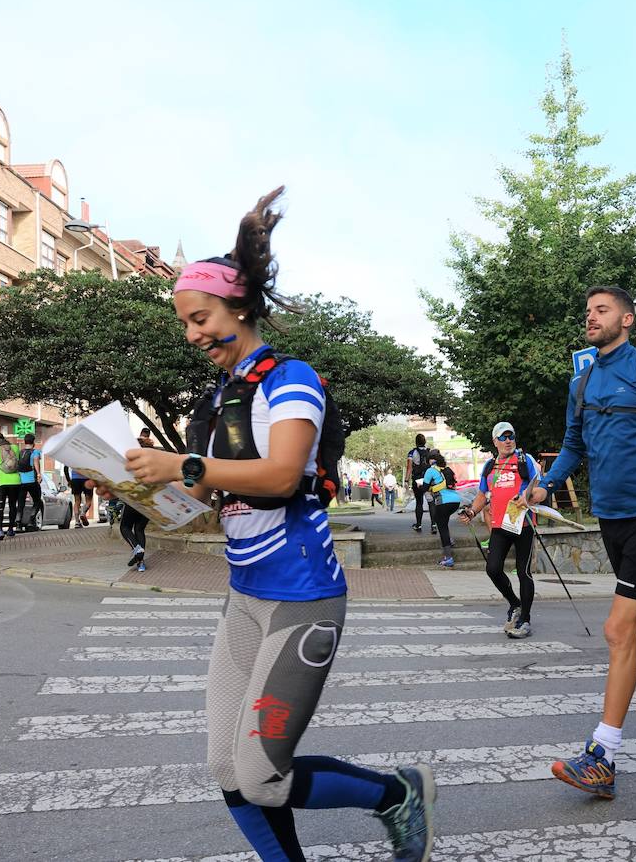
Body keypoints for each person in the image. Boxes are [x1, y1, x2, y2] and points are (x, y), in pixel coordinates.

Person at [114, 188, 433, 861]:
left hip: (302, 598)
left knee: (262, 772)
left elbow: (283, 475)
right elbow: (208, 501)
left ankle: (395, 796)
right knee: (228, 769)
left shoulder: (291, 379)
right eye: (185, 323)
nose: (194, 334)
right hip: (246, 599)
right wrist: (136, 483)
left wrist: (184, 464)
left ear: (239, 307)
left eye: (201, 318)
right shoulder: (221, 396)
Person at [526, 284, 636, 801]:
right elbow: (572, 446)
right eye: (588, 311)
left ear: (627, 320)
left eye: (601, 310)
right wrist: (543, 483)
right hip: (611, 517)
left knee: (618, 628)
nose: (591, 317)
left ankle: (602, 755)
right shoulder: (582, 382)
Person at [459, 422, 542, 636]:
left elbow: (539, 487)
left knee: (524, 572)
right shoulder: (489, 466)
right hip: (499, 526)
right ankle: (515, 603)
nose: (508, 440)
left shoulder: (525, 460)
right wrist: (471, 512)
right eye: (503, 437)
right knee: (493, 569)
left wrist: (528, 496)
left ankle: (525, 620)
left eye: (511, 436)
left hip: (523, 524)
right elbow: (481, 495)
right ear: (495, 442)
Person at [121, 430, 154, 571]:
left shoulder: (133, 462)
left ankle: (137, 549)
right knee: (140, 529)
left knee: (125, 527)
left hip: (134, 497)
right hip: (149, 500)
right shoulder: (154, 461)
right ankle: (140, 563)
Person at [422, 454, 460, 567]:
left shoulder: (430, 470)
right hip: (455, 500)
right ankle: (449, 540)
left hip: (444, 501)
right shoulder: (447, 469)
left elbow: (424, 487)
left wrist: (422, 487)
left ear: (430, 461)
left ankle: (448, 558)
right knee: (443, 521)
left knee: (441, 526)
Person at [0, 431, 22, 541]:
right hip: (16, 481)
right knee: (13, 505)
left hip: (2, 481)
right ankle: (11, 529)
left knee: (0, 506)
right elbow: (18, 460)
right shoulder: (15, 448)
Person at [406, 434, 434, 534]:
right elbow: (433, 467)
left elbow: (409, 468)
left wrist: (406, 480)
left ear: (416, 442)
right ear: (425, 442)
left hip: (417, 480)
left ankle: (418, 524)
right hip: (428, 480)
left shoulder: (412, 453)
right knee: (431, 502)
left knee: (419, 502)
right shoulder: (430, 452)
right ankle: (434, 525)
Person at [17, 433, 43, 532]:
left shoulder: (20, 452)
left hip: (21, 481)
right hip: (32, 480)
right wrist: (39, 474)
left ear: (25, 442)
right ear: (33, 442)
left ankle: (18, 523)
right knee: (37, 500)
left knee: (21, 503)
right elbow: (36, 462)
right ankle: (31, 520)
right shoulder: (35, 452)